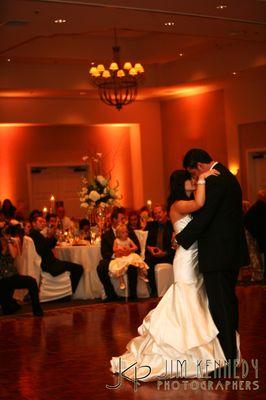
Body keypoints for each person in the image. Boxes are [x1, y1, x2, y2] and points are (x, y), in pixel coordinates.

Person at [110, 167, 228, 381]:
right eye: (189, 179)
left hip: (194, 255)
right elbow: (200, 204)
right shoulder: (178, 204)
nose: (192, 181)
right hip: (185, 260)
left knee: (196, 298)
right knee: (186, 297)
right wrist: (203, 177)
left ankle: (200, 350)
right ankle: (185, 351)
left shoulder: (185, 202)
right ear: (180, 184)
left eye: (193, 178)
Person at [175, 149, 249, 368]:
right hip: (230, 252)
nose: (196, 179)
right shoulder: (227, 175)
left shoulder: (215, 180)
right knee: (228, 302)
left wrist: (180, 238)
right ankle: (231, 353)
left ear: (198, 166)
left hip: (218, 254)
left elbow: (205, 217)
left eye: (194, 174)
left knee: (221, 306)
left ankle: (227, 359)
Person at [30, 216, 83, 294]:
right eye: (40, 222)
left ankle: (68, 291)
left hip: (50, 262)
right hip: (49, 265)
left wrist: (52, 236)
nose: (43, 224)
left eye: (43, 222)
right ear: (34, 223)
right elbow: (43, 249)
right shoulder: (34, 235)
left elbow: (49, 246)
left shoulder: (36, 234)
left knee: (73, 265)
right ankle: (70, 292)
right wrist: (50, 236)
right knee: (78, 268)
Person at [97, 207, 141, 302]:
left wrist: (129, 251)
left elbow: (138, 248)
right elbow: (104, 253)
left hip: (128, 257)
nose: (124, 221)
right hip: (114, 259)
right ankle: (111, 294)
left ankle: (133, 295)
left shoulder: (128, 231)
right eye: (121, 219)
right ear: (114, 220)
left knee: (132, 265)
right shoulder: (106, 235)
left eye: (124, 219)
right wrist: (115, 255)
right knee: (101, 267)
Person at [0, 221, 43, 316]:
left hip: (11, 276)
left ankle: (37, 311)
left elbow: (14, 255)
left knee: (31, 282)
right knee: (8, 311)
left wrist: (8, 240)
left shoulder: (11, 241)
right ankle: (11, 303)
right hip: (2, 279)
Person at [144, 204, 175, 297]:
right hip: (153, 255)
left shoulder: (172, 225)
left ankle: (173, 290)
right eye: (155, 213)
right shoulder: (151, 225)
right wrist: (149, 248)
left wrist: (164, 253)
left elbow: (176, 244)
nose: (158, 215)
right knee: (147, 264)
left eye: (159, 212)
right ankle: (153, 291)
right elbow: (142, 241)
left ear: (165, 213)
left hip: (168, 254)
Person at [109, 223, 149, 290]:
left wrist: (130, 249)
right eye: (123, 233)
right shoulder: (116, 241)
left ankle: (141, 274)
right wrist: (119, 249)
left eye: (126, 232)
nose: (126, 234)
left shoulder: (128, 239)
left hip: (129, 255)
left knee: (136, 259)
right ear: (119, 234)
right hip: (121, 257)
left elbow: (136, 247)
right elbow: (114, 249)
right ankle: (121, 281)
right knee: (119, 265)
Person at [244, 188, 266, 272]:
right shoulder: (261, 207)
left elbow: (247, 221)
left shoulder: (255, 207)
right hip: (259, 235)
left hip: (256, 234)